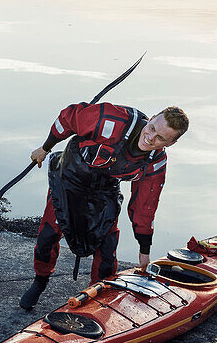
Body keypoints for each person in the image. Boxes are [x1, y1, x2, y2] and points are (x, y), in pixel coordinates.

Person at [20, 103, 189, 310]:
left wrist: (144, 250)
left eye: (161, 138)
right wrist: (45, 148)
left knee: (107, 244)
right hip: (70, 177)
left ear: (171, 143)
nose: (151, 138)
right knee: (49, 233)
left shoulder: (155, 163)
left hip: (104, 189)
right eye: (152, 128)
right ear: (152, 118)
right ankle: (40, 280)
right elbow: (68, 117)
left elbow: (145, 206)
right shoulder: (111, 119)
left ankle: (98, 294)